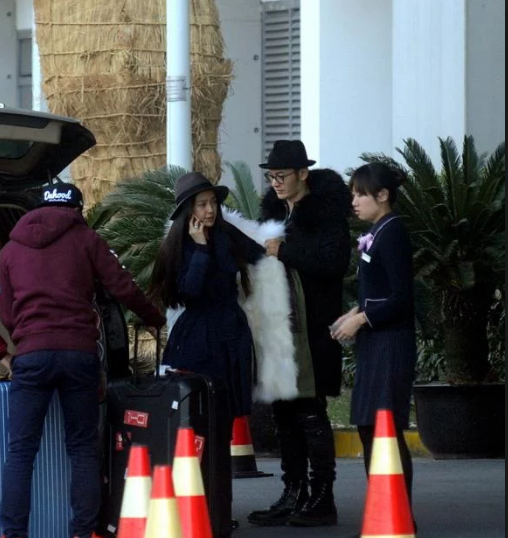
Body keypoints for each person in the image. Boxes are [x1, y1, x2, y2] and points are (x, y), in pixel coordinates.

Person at [0, 182, 166, 538]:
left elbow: (5, 310)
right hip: (78, 354)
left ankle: (12, 533)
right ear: (76, 210)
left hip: (32, 356)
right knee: (82, 448)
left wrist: (13, 348)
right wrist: (154, 317)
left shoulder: (10, 249)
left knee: (20, 452)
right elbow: (122, 287)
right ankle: (82, 532)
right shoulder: (87, 239)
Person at [150, 172, 266, 538]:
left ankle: (219, 512)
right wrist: (200, 248)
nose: (210, 210)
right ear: (188, 211)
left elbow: (259, 254)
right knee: (197, 428)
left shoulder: (225, 234)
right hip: (198, 341)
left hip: (230, 335)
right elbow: (189, 292)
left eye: (213, 202)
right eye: (202, 204)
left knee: (223, 429)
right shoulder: (182, 245)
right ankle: (198, 511)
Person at [248, 140, 352, 528]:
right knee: (283, 412)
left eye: (281, 176)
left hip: (311, 329)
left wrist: (283, 251)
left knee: (309, 409)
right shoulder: (275, 213)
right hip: (278, 326)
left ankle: (322, 496)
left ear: (303, 174)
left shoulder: (325, 214)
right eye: (271, 177)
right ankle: (293, 492)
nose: (275, 183)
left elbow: (334, 263)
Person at [330, 162, 417, 533]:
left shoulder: (393, 232)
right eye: (352, 193)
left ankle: (398, 515)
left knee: (385, 429)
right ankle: (384, 510)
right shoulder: (377, 231)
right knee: (369, 426)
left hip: (391, 343)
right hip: (375, 342)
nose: (354, 201)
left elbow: (402, 297)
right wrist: (355, 312)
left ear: (382, 195)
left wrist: (363, 318)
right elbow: (380, 290)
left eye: (360, 194)